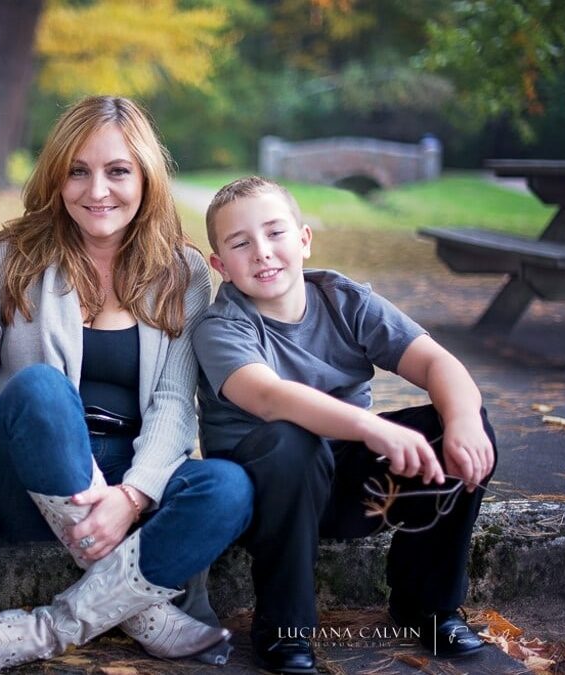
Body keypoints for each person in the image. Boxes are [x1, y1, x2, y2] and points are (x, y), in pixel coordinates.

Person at [0, 96, 253, 674]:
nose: (97, 190)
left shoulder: (181, 271)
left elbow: (172, 402)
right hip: (26, 476)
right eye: (78, 171)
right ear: (57, 177)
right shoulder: (9, 259)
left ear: (145, 177)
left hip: (131, 476)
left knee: (229, 486)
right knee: (38, 388)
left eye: (117, 171)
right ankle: (148, 617)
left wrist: (131, 497)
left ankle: (48, 629)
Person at [192, 177, 497, 674]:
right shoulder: (222, 326)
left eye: (275, 233)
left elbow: (438, 364)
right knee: (293, 438)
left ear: (304, 240)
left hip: (352, 488)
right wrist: (370, 428)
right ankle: (283, 627)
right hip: (268, 497)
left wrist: (462, 419)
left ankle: (427, 604)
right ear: (220, 266)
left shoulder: (343, 299)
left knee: (461, 423)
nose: (263, 252)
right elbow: (269, 397)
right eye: (241, 243)